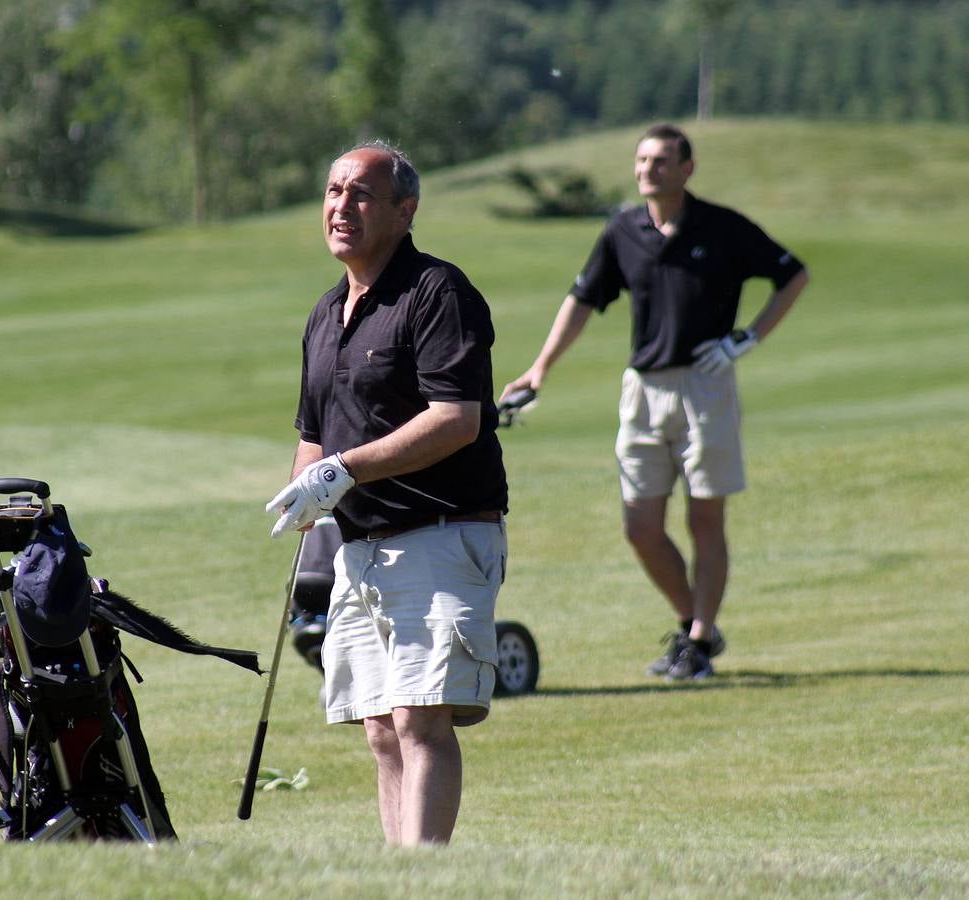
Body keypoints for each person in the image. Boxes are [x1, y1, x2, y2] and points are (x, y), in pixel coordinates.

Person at [501, 123, 808, 681]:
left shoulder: (722, 226)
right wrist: (540, 368)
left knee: (704, 520)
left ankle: (694, 642)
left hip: (705, 386)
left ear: (687, 168)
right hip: (642, 390)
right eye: (643, 160)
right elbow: (582, 300)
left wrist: (748, 337)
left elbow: (792, 275)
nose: (649, 169)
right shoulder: (623, 230)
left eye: (662, 160)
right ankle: (698, 628)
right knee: (640, 525)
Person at [266, 140, 508, 845]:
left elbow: (455, 421)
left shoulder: (438, 292)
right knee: (380, 727)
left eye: (361, 195)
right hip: (359, 548)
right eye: (334, 191)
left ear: (406, 210)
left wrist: (343, 471)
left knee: (421, 718)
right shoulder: (325, 313)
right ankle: (398, 873)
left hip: (440, 533)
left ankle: (421, 881)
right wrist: (303, 501)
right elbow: (315, 435)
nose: (342, 206)